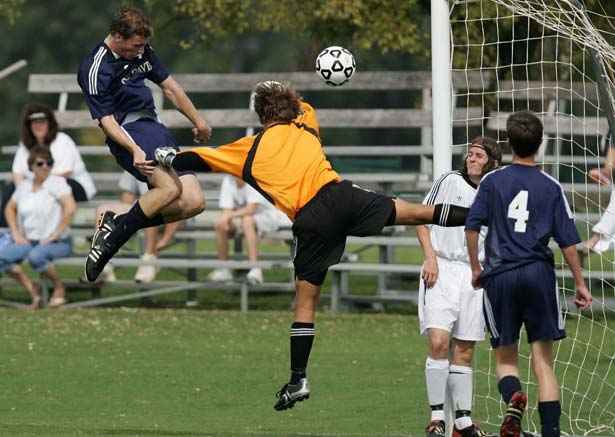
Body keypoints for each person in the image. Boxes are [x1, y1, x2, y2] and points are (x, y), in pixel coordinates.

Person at [154, 80, 470, 411]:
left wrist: (168, 157)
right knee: (416, 212)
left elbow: (200, 159)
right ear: (291, 106)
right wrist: (285, 92)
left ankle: (298, 379)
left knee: (306, 303)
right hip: (342, 196)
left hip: (312, 219)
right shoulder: (307, 121)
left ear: (261, 115)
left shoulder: (250, 147)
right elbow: (300, 103)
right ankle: (483, 213)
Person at [465, 111, 592, 437]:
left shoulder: (493, 181)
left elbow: (472, 226)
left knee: (506, 358)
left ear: (508, 143)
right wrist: (580, 283)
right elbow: (568, 242)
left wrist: (476, 268)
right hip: (538, 274)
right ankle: (550, 432)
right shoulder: (550, 186)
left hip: (501, 275)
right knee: (543, 360)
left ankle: (513, 399)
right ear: (539, 144)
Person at [77, 6, 210, 282]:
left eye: (144, 45)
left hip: (154, 129)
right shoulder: (94, 67)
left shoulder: (142, 50)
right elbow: (106, 120)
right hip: (129, 132)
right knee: (170, 188)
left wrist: (199, 120)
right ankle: (112, 243)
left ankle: (116, 220)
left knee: (195, 201)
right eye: (136, 45)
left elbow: (171, 87)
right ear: (117, 36)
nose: (141, 51)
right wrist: (133, 149)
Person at [417, 137, 501, 437]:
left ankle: (463, 421)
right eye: (470, 154)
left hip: (474, 275)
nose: (472, 158)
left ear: (491, 161)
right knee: (439, 342)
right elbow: (421, 219)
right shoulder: (449, 181)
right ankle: (437, 418)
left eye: (479, 155)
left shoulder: (495, 191)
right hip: (441, 268)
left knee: (464, 348)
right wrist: (430, 258)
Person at [1, 146, 76, 309]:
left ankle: (59, 287)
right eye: (40, 163)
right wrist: (15, 232)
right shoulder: (24, 186)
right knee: (2, 256)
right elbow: (9, 208)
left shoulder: (58, 183)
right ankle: (33, 291)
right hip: (30, 241)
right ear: (31, 166)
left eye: (49, 163)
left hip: (58, 242)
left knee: (36, 256)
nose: (45, 167)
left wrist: (55, 235)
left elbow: (70, 208)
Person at [0, 103, 96, 227]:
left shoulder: (62, 140)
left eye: (42, 121)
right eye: (34, 122)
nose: (38, 125)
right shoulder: (25, 145)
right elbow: (17, 173)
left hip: (72, 185)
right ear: (28, 125)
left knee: (52, 188)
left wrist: (33, 185)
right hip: (38, 186)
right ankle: (7, 234)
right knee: (11, 190)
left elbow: (65, 172)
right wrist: (23, 190)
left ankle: (52, 237)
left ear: (49, 123)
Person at [89, 171, 182, 283]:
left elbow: (182, 203)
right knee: (103, 210)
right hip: (147, 210)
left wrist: (166, 239)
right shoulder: (134, 160)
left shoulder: (170, 162)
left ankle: (149, 259)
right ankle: (103, 261)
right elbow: (127, 197)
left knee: (149, 209)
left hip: (171, 213)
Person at [208, 175, 292, 285]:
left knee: (247, 221)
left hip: (270, 217)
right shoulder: (228, 180)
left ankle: (255, 269)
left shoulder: (253, 177)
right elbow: (227, 209)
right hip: (245, 219)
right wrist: (226, 218)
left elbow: (251, 209)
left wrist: (229, 215)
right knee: (220, 224)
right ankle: (224, 269)